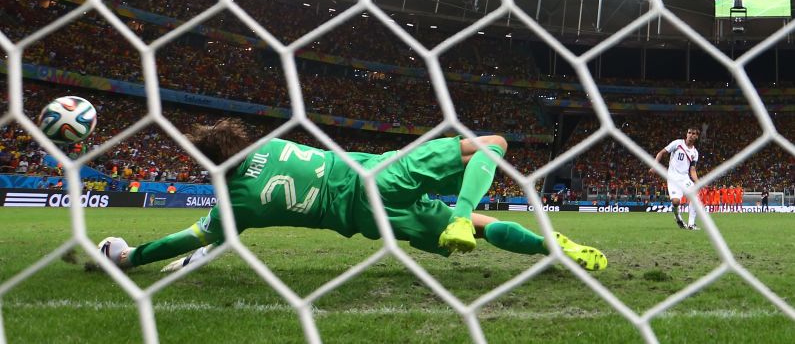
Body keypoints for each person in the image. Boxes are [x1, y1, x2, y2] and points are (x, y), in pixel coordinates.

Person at [98, 119, 607, 272]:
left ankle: (543, 244)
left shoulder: (236, 206)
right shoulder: (272, 142)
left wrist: (131, 256)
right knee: (492, 143)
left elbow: (192, 234)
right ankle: (533, 240)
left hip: (368, 218)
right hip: (381, 175)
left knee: (473, 231)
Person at [650, 127, 700, 230]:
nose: (690, 135)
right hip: (673, 178)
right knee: (676, 202)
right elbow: (661, 153)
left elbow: (692, 169)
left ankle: (691, 224)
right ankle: (678, 218)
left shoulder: (695, 152)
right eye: (689, 132)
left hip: (685, 178)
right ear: (686, 134)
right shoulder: (677, 143)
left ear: (696, 136)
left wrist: (697, 181)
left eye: (693, 133)